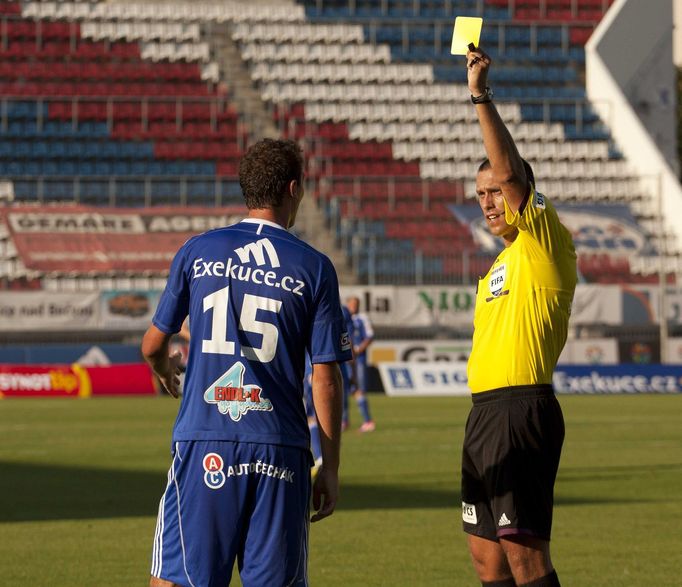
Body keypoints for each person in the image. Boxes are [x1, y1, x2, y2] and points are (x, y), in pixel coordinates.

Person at [141, 138, 351, 587]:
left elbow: (152, 344)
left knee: (178, 580)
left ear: (246, 189)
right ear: (293, 189)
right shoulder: (314, 268)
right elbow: (326, 378)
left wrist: (164, 369)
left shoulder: (198, 250)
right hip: (281, 449)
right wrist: (329, 466)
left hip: (206, 440)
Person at [460, 46, 577, 587]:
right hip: (484, 416)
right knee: (488, 560)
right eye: (479, 194)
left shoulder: (543, 241)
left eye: (495, 191)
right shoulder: (495, 268)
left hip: (521, 411)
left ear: (521, 192)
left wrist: (481, 95)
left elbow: (510, 175)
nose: (488, 202)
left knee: (526, 557)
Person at [346, 296, 376, 432]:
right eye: (352, 304)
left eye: (356, 304)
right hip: (345, 359)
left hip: (359, 360)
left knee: (359, 389)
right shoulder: (344, 318)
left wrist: (357, 350)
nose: (354, 307)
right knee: (344, 390)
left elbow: (370, 337)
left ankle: (367, 421)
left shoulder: (362, 318)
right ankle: (344, 421)